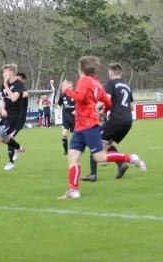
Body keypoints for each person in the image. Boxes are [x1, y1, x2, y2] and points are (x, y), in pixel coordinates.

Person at [58, 56, 146, 199]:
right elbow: (107, 102)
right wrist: (103, 112)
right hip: (81, 126)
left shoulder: (84, 80)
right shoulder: (97, 83)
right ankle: (73, 190)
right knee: (73, 155)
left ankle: (131, 159)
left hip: (88, 126)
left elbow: (79, 98)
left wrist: (66, 90)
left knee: (99, 157)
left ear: (80, 69)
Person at [81, 62, 135, 182]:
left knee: (94, 140)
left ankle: (93, 174)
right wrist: (106, 112)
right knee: (106, 143)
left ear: (111, 74)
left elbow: (107, 99)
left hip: (116, 119)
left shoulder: (111, 83)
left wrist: (95, 107)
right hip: (128, 121)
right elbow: (132, 107)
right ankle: (121, 164)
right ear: (121, 73)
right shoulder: (127, 86)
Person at [4, 72, 30, 171]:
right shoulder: (14, 89)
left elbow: (26, 94)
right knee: (6, 137)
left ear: (22, 80)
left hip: (19, 119)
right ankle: (19, 148)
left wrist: (16, 95)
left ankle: (11, 162)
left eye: (18, 79)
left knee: (9, 138)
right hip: (11, 118)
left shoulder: (23, 89)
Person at [57, 81, 76, 155]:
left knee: (75, 135)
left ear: (72, 88)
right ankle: (66, 151)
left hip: (74, 119)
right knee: (64, 133)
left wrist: (76, 110)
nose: (69, 89)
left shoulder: (75, 95)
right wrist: (58, 112)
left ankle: (77, 148)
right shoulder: (63, 96)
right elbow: (59, 104)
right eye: (67, 87)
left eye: (70, 87)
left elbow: (80, 105)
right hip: (66, 118)